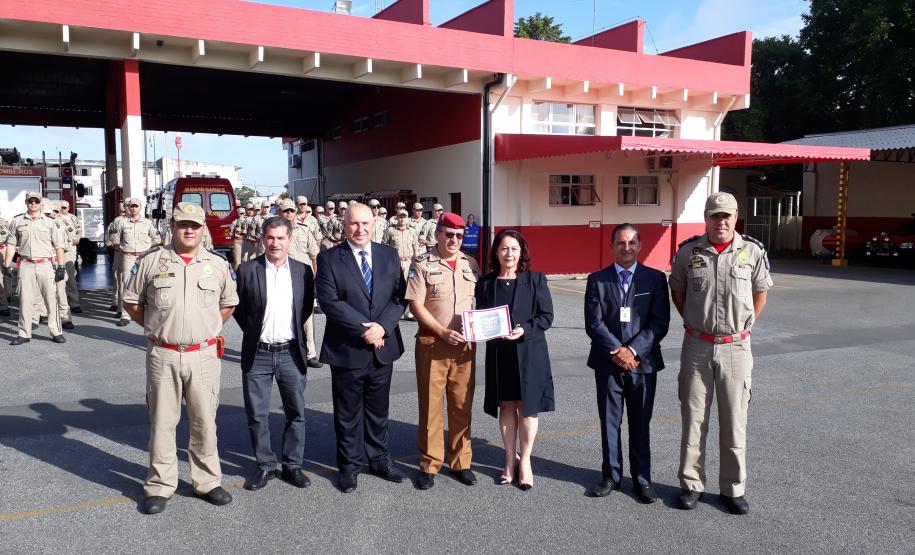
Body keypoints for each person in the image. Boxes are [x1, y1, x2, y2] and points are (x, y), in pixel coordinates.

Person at [122, 202, 238, 515]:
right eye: (183, 224)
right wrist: (158, 326)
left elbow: (228, 303)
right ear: (172, 226)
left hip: (203, 355)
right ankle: (160, 485)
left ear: (203, 229)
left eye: (195, 225)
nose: (189, 230)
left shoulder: (217, 264)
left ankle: (207, 481)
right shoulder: (150, 261)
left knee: (205, 421)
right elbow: (132, 301)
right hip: (164, 354)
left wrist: (205, 328)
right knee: (162, 422)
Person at [669, 191, 772, 515]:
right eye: (715, 216)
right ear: (706, 219)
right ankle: (691, 484)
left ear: (736, 217)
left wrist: (744, 326)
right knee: (693, 419)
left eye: (726, 216)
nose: (721, 221)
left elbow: (761, 292)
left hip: (736, 348)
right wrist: (695, 323)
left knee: (734, 420)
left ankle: (732, 488)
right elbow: (678, 292)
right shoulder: (688, 252)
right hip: (697, 346)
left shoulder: (752, 251)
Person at [315, 203, 407, 493]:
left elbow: (399, 297)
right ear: (344, 225)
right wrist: (366, 330)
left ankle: (379, 460)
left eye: (365, 223)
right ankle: (349, 466)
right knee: (348, 414)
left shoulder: (388, 255)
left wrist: (383, 327)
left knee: (379, 411)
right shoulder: (329, 258)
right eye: (354, 223)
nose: (360, 229)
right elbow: (330, 302)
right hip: (347, 349)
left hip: (383, 347)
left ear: (374, 224)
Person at [584, 223, 670, 502]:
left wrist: (632, 351)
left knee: (640, 422)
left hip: (643, 364)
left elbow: (659, 322)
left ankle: (642, 479)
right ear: (612, 246)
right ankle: (611, 476)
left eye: (632, 242)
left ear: (640, 246)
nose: (626, 248)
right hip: (607, 363)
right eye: (621, 243)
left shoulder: (655, 279)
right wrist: (618, 351)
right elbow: (594, 323)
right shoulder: (597, 280)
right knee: (610, 422)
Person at [233, 215, 316, 491]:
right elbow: (240, 310)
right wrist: (255, 331)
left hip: (291, 351)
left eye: (281, 238)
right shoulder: (247, 270)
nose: (275, 243)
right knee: (257, 414)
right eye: (270, 237)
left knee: (296, 412)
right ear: (262, 239)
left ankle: (292, 465)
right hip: (258, 353)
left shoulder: (303, 271)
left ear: (289, 240)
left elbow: (304, 309)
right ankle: (266, 465)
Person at [474, 228, 554, 490]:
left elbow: (546, 316)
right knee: (506, 406)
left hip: (529, 352)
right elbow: (481, 316)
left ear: (521, 253)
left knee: (528, 407)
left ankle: (526, 460)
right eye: (504, 248)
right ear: (496, 252)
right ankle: (509, 460)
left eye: (514, 249)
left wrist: (525, 330)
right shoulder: (486, 283)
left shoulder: (535, 280)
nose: (509, 253)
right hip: (500, 353)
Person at [406, 212, 481, 490]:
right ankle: (429, 464)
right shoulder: (421, 263)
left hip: (464, 346)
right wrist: (441, 331)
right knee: (431, 407)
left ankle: (461, 462)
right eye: (449, 234)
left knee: (462, 405)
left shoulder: (471, 263)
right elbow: (415, 305)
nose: (454, 240)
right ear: (438, 234)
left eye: (459, 236)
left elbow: (480, 301)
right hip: (433, 343)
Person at [3, 191, 67, 344]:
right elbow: (11, 244)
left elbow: (59, 246)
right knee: (25, 300)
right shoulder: (17, 221)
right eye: (30, 201)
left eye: (36, 201)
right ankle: (24, 333)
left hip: (46, 264)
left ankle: (56, 332)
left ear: (40, 204)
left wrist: (61, 266)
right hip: (26, 265)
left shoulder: (50, 222)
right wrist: (6, 264)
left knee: (51, 299)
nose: (33, 204)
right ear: (26, 203)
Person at [279, 199, 322, 368]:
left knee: (307, 317)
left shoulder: (304, 230)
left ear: (296, 212)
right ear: (280, 213)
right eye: (286, 211)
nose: (289, 213)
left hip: (303, 279)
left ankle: (310, 354)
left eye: (291, 210)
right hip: (282, 278)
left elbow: (314, 256)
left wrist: (315, 277)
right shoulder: (274, 231)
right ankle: (286, 351)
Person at [110, 197, 161, 327]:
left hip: (144, 257)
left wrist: (147, 246)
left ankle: (147, 311)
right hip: (128, 256)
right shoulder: (122, 223)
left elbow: (157, 239)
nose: (133, 208)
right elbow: (115, 240)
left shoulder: (147, 223)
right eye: (131, 206)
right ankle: (125, 315)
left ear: (140, 208)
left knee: (147, 283)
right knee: (125, 284)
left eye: (136, 206)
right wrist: (123, 247)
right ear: (128, 208)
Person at [383, 209, 419, 319]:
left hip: (409, 263)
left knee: (410, 286)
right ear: (397, 218)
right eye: (400, 217)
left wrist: (416, 263)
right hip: (395, 263)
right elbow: (384, 246)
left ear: (408, 218)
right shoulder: (390, 230)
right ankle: (396, 311)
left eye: (405, 217)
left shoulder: (412, 231)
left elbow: (415, 247)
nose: (402, 219)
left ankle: (409, 311)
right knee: (395, 287)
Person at [57, 200, 83, 313]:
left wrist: (76, 239)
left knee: (70, 277)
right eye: (60, 208)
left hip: (68, 251)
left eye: (64, 208)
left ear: (68, 208)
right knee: (57, 279)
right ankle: (60, 304)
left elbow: (78, 231)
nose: (62, 210)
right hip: (55, 252)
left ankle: (74, 303)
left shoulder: (72, 218)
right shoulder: (53, 219)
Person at [106, 200, 127, 313]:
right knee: (118, 279)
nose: (123, 212)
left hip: (136, 254)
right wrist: (113, 248)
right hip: (120, 253)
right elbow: (110, 238)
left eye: (124, 210)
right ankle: (116, 303)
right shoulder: (117, 221)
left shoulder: (141, 222)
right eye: (121, 210)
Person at [0, 209, 9, 316]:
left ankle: (3, 305)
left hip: (1, 251)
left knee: (1, 279)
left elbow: (3, 237)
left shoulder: (2, 223)